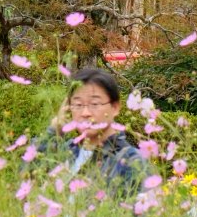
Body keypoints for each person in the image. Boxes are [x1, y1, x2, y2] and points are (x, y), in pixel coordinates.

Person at [38, 66, 143, 195]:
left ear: (115, 107)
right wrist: (54, 130)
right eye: (78, 105)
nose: (85, 113)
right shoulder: (67, 152)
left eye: (95, 104)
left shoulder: (130, 161)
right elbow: (27, 177)